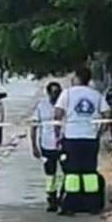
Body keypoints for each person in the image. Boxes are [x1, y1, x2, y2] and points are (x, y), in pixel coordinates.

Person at [54, 66, 110, 215]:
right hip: (90, 139)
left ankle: (70, 205)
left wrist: (57, 133)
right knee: (89, 171)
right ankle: (92, 205)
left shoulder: (67, 93)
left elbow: (58, 114)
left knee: (72, 172)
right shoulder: (96, 95)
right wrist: (100, 131)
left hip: (72, 138)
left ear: (77, 78)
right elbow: (107, 114)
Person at [31, 82, 64, 212]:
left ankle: (64, 197)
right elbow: (34, 126)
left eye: (58, 92)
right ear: (48, 93)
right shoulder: (42, 106)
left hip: (64, 144)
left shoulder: (65, 105)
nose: (56, 95)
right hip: (47, 145)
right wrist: (34, 146)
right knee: (50, 174)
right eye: (53, 92)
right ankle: (52, 198)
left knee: (67, 173)